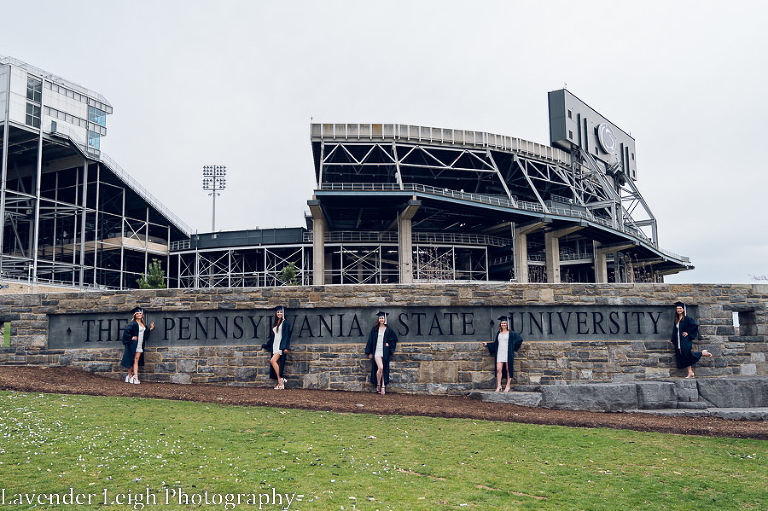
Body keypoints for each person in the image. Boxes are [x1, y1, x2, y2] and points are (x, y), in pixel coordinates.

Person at [669, 301, 713, 378]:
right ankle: (690, 372)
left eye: (680, 308)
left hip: (685, 340)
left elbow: (694, 326)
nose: (678, 310)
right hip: (679, 340)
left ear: (683, 309)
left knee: (686, 354)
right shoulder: (677, 319)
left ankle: (701, 354)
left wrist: (688, 333)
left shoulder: (687, 318)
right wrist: (673, 339)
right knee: (683, 355)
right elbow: (675, 330)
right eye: (677, 308)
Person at [482, 316, 523, 392]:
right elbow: (495, 344)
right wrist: (487, 344)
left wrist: (513, 348)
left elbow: (519, 340)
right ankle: (499, 385)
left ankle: (508, 385)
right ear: (500, 324)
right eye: (502, 323)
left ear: (507, 324)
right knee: (498, 369)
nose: (503, 324)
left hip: (508, 353)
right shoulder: (499, 333)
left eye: (504, 323)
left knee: (508, 369)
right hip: (500, 353)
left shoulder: (511, 333)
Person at [365, 311, 398, 395]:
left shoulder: (388, 330)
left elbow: (394, 339)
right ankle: (378, 384)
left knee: (384, 368)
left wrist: (389, 344)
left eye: (382, 318)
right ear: (378, 319)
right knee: (381, 368)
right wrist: (370, 352)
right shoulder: (375, 329)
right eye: (380, 318)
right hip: (377, 351)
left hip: (384, 351)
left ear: (385, 319)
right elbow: (370, 341)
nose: (381, 319)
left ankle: (383, 386)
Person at [120, 307, 155, 385]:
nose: (139, 315)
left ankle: (135, 377)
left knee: (136, 360)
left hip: (139, 345)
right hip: (132, 344)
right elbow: (126, 332)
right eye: (138, 313)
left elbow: (144, 333)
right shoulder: (132, 324)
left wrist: (150, 329)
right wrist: (131, 337)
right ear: (135, 315)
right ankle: (129, 376)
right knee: (130, 359)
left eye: (141, 314)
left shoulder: (142, 324)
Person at [261, 305, 292, 389]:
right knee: (277, 363)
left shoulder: (286, 323)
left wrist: (285, 347)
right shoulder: (276, 323)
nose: (279, 313)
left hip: (280, 346)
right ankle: (280, 384)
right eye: (278, 312)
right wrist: (266, 345)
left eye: (281, 312)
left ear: (283, 313)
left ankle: (280, 380)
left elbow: (286, 336)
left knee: (272, 361)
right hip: (275, 345)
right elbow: (273, 337)